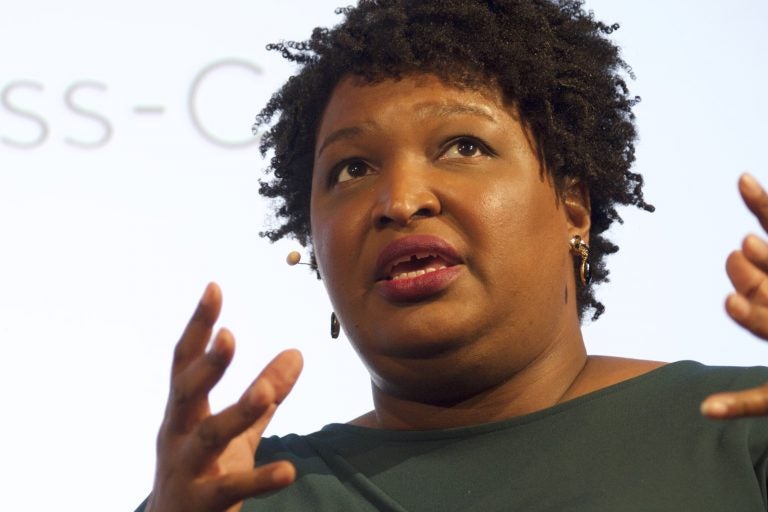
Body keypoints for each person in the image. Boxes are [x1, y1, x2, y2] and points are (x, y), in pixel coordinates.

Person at [136, 1, 768, 510]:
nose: (400, 201)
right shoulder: (244, 494)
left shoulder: (739, 430)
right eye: (351, 169)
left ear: (574, 205)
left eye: (463, 147)